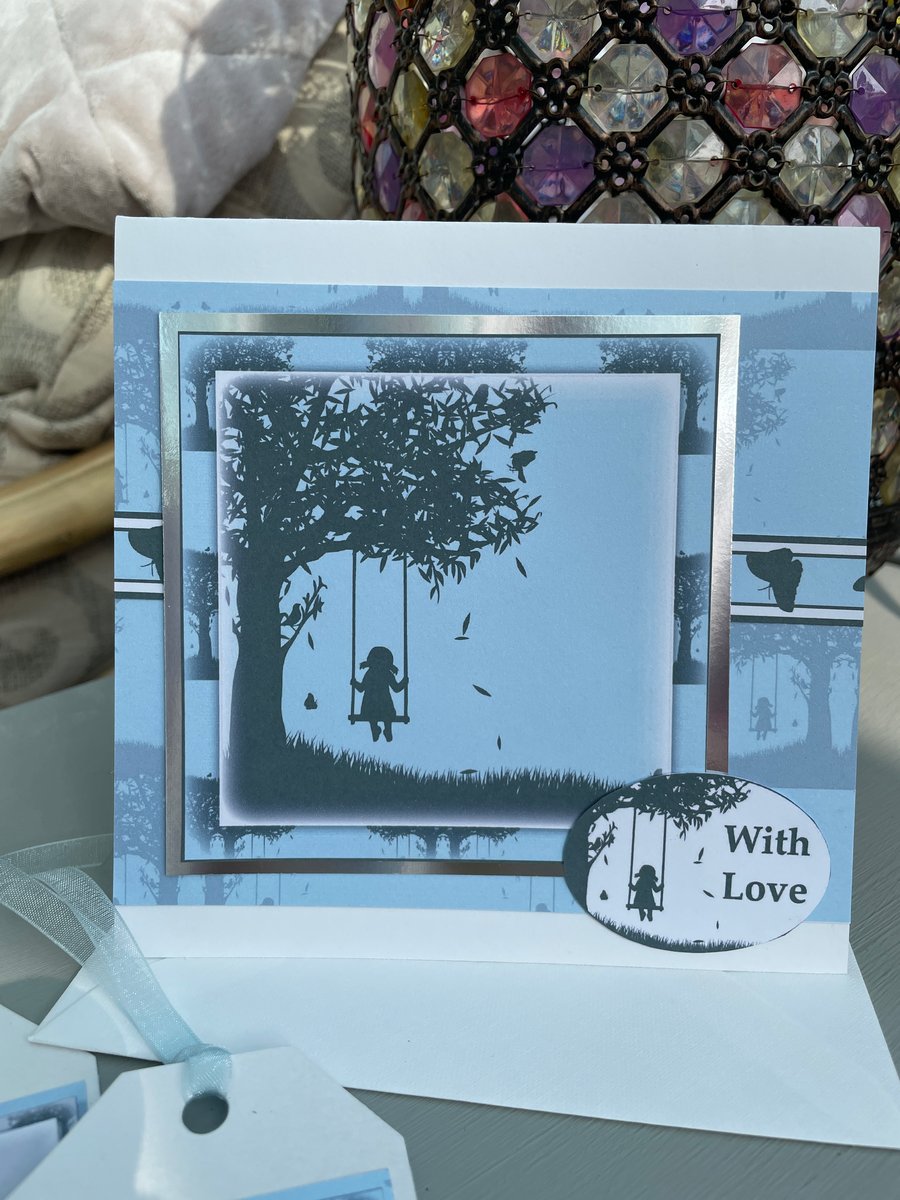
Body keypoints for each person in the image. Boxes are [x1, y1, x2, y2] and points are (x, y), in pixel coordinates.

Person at [351, 645, 408, 743]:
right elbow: (396, 688)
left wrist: (404, 683)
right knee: (378, 716)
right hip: (378, 704)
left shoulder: (380, 673)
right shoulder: (378, 673)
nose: (379, 664)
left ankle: (386, 730)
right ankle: (376, 729)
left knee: (380, 715)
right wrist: (354, 683)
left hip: (376, 704)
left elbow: (396, 688)